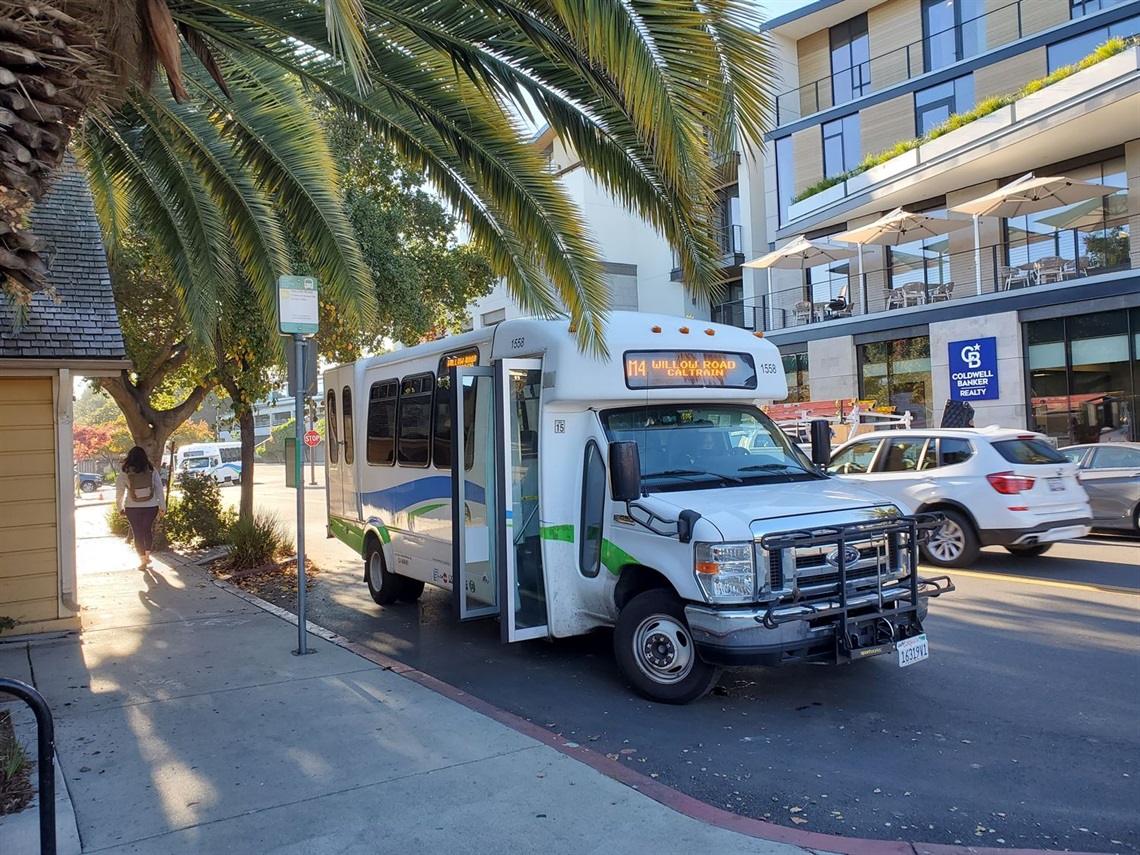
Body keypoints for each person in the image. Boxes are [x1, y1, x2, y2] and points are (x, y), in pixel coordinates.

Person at [116, 446, 166, 571]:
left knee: (137, 533)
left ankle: (143, 560)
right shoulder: (151, 470)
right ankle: (148, 556)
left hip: (132, 507)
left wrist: (120, 508)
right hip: (151, 506)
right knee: (147, 530)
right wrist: (162, 506)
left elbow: (119, 493)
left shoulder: (124, 472)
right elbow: (159, 488)